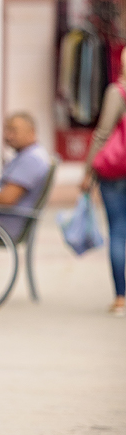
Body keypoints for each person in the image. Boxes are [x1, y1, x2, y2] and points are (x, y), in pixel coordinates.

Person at [81, 46, 126, 317]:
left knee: (118, 231)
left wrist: (88, 171)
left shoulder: (117, 92)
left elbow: (102, 133)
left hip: (116, 170)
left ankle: (121, 298)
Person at [0, 112, 51, 241]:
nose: (8, 136)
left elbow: (8, 198)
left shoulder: (32, 159)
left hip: (3, 225)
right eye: (6, 130)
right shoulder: (25, 155)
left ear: (31, 132)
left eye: (13, 130)